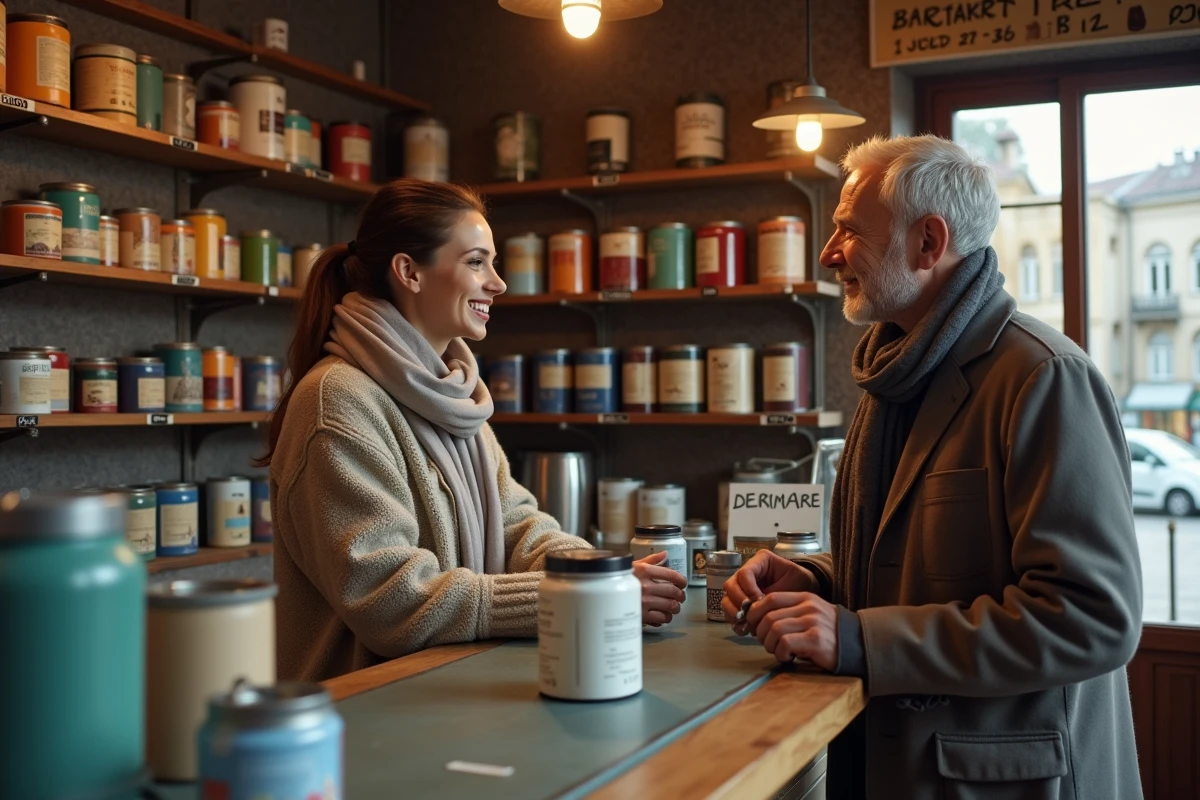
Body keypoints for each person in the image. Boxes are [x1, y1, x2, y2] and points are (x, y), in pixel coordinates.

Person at [723, 136, 1143, 800]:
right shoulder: (895, 373)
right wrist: (818, 579)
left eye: (849, 230)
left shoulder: (1044, 377)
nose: (829, 253)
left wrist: (861, 640)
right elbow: (920, 563)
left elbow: (1092, 617)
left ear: (928, 242)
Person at [261, 179, 687, 682]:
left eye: (494, 263)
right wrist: (579, 593)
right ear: (409, 272)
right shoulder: (336, 400)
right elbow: (390, 599)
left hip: (445, 689)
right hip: (360, 708)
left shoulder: (452, 395)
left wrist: (598, 573)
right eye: (476, 262)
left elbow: (518, 528)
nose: (498, 283)